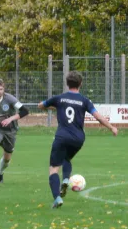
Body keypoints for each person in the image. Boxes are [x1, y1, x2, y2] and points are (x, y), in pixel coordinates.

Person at [38, 71, 118, 208]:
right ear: (80, 84)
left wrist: (51, 106)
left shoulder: (59, 98)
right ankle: (66, 179)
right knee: (66, 159)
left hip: (61, 137)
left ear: (67, 83)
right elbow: (98, 117)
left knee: (53, 168)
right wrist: (111, 127)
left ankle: (57, 198)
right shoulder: (84, 101)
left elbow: (41, 106)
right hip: (78, 139)